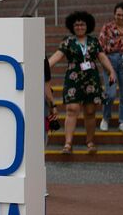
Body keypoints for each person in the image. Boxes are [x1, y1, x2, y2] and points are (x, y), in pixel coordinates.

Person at [48, 11, 116, 155]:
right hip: (73, 79)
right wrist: (42, 68)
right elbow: (56, 57)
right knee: (72, 109)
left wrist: (111, 71)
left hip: (91, 79)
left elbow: (102, 57)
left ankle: (90, 142)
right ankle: (68, 143)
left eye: (82, 24)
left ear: (88, 25)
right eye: (77, 24)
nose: (79, 27)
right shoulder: (68, 41)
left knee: (90, 111)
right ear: (72, 26)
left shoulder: (93, 41)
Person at [98, 2, 123, 133]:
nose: (119, 17)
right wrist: (107, 65)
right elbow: (100, 48)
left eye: (122, 15)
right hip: (110, 61)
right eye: (117, 15)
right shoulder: (107, 28)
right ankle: (105, 118)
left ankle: (122, 121)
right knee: (110, 93)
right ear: (114, 14)